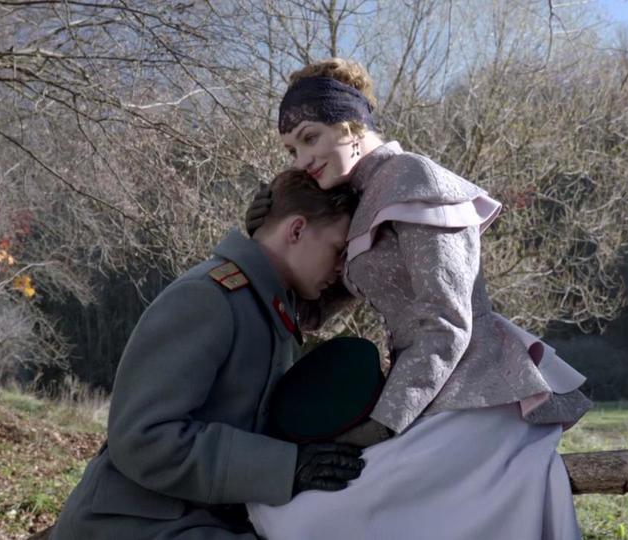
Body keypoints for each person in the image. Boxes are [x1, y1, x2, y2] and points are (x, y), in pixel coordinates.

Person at [245, 58, 593, 539]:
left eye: (310, 137)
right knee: (285, 509)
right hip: (423, 395)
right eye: (291, 149)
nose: (301, 159)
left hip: (477, 394)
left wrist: (384, 422)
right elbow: (313, 313)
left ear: (350, 125)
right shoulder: (359, 201)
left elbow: (448, 322)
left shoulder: (412, 178)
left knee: (309, 516)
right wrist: (266, 239)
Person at [51, 169, 365, 540]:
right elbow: (144, 437)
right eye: (338, 251)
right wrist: (285, 467)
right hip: (130, 523)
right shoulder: (208, 297)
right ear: (296, 230)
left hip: (192, 520)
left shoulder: (265, 303)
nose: (341, 267)